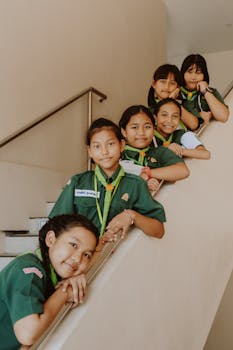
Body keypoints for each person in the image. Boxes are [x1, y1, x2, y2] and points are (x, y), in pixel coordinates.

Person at [49, 118, 166, 242]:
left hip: (113, 257)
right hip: (81, 256)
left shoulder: (135, 184)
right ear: (90, 151)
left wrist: (132, 216)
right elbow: (55, 225)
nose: (104, 151)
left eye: (110, 144)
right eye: (97, 146)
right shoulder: (78, 182)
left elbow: (158, 231)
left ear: (122, 145)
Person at [0, 214, 98, 349]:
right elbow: (28, 333)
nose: (78, 258)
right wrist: (64, 293)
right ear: (51, 239)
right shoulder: (29, 271)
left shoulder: (49, 273)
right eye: (74, 245)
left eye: (86, 255)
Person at [119, 105, 190, 193]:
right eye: (134, 127)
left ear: (153, 129)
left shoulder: (159, 152)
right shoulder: (115, 157)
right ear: (124, 132)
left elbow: (182, 171)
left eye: (147, 127)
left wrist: (148, 173)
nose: (141, 132)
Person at [180, 54, 229, 126]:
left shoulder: (211, 92)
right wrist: (199, 116)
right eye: (189, 72)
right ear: (183, 73)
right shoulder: (176, 93)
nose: (193, 77)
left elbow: (223, 116)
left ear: (204, 75)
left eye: (198, 72)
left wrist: (206, 92)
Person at [148, 64, 198, 130]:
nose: (167, 87)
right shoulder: (149, 111)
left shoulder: (186, 104)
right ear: (154, 84)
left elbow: (193, 125)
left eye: (172, 83)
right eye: (163, 82)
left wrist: (172, 101)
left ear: (178, 87)